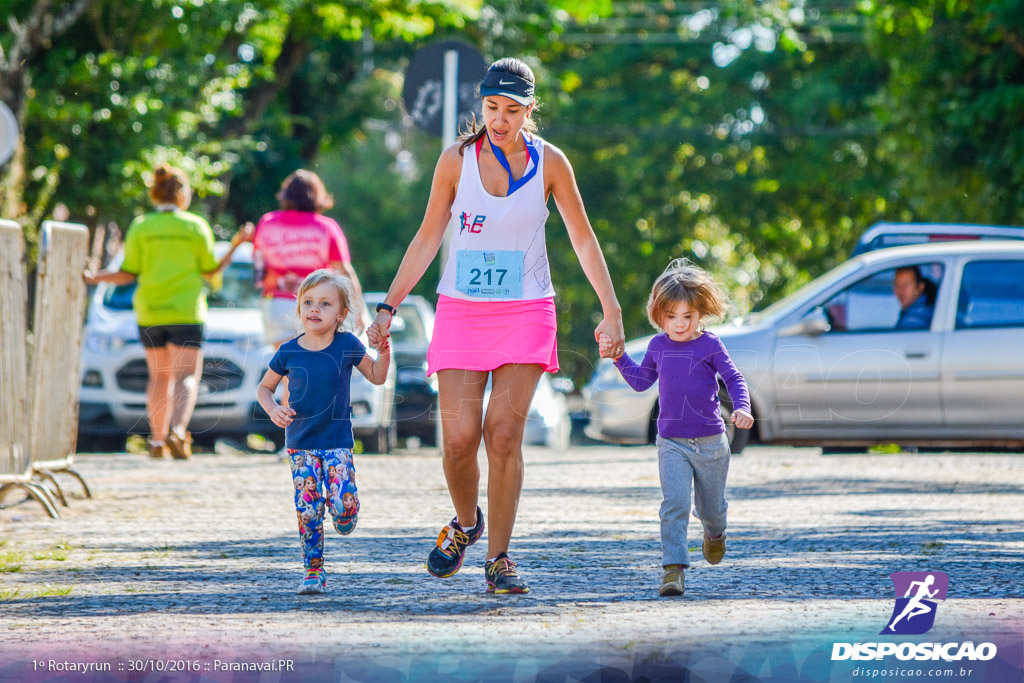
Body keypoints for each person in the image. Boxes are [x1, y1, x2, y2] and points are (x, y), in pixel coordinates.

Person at [367, 57, 625, 595]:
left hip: (527, 310)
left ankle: (499, 557)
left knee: (503, 435)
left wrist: (612, 308)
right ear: (480, 105)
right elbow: (426, 237)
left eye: (512, 109)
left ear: (530, 110)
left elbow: (582, 237)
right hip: (462, 310)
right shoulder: (454, 161)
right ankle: (466, 525)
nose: (500, 119)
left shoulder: (552, 163)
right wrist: (390, 305)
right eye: (491, 108)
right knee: (459, 440)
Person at [599, 259, 753, 597]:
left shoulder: (710, 345)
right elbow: (641, 382)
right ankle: (673, 569)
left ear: (701, 313)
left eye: (688, 316)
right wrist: (618, 357)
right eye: (671, 317)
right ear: (659, 315)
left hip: (712, 441)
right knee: (674, 505)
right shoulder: (658, 347)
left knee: (711, 510)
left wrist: (742, 407)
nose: (680, 324)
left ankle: (715, 534)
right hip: (672, 443)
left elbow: (733, 378)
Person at [85, 164, 250, 460]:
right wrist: (236, 245)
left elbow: (126, 274)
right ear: (183, 194)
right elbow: (211, 271)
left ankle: (157, 440)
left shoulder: (141, 226)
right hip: (186, 312)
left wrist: (95, 277)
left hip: (150, 311)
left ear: (155, 193)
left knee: (158, 377)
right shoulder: (195, 226)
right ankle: (177, 430)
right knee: (187, 374)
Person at [257, 269, 390, 595]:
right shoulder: (288, 350)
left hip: (337, 444)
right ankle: (313, 570)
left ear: (341, 314)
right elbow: (264, 389)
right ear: (300, 308)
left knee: (341, 505)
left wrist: (383, 351)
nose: (314, 309)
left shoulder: (346, 344)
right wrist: (274, 409)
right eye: (309, 302)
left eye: (325, 304)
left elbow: (376, 376)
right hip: (300, 444)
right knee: (309, 508)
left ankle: (347, 512)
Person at [249, 169, 367, 347]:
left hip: (276, 305)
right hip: (316, 307)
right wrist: (359, 311)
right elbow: (344, 271)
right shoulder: (326, 227)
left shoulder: (266, 222)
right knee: (316, 367)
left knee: (287, 367)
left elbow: (259, 269)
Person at [893, 265, 935, 330]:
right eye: (897, 285)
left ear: (920, 287)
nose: (901, 290)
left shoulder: (916, 319)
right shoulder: (922, 309)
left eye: (906, 285)